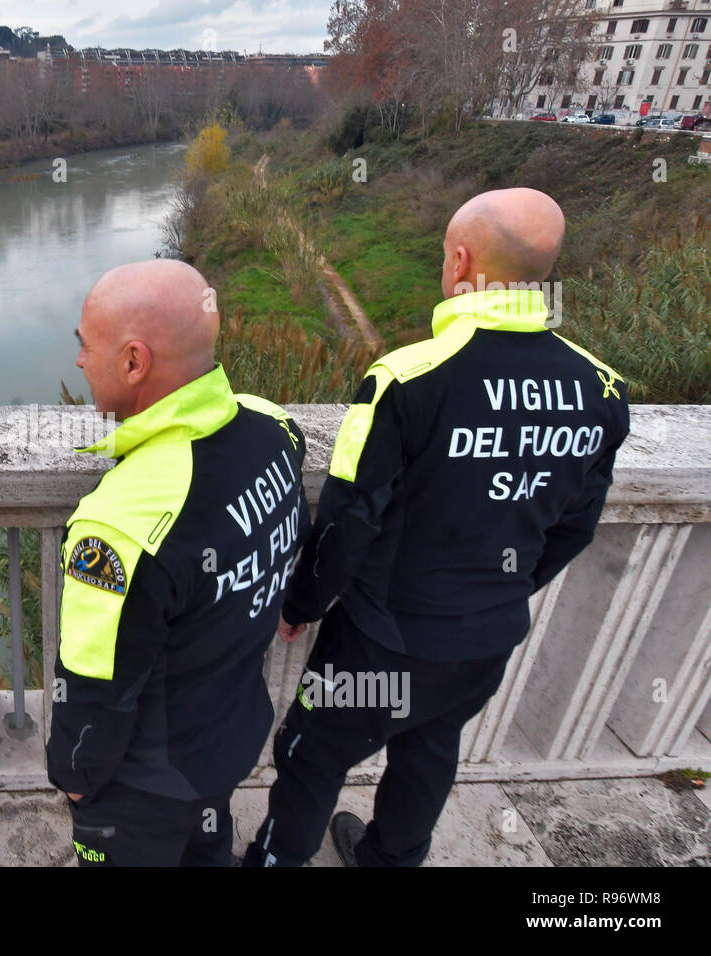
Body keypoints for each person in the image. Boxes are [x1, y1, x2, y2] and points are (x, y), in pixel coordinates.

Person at [242, 187, 630, 867]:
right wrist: (497, 592)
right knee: (429, 749)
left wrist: (300, 603)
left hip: (385, 640)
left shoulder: (407, 379)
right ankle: (391, 859)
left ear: (459, 261)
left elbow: (348, 521)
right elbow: (574, 527)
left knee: (311, 753)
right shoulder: (600, 389)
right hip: (488, 638)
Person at [45, 258, 310, 866]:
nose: (80, 362)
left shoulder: (120, 525)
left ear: (134, 362)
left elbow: (94, 682)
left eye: (86, 347)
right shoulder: (276, 431)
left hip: (144, 785)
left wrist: (76, 775)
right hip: (229, 739)